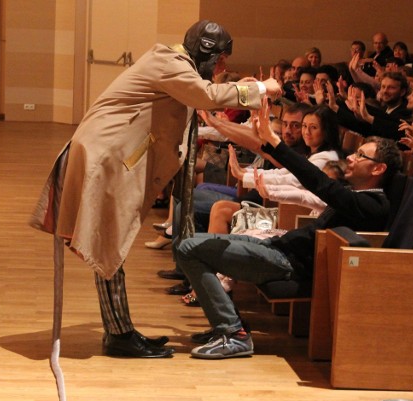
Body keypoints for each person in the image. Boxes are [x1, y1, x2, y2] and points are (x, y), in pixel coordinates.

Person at [29, 20, 281, 361]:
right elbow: (204, 96)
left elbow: (197, 105)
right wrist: (262, 89)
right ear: (206, 53)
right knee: (108, 248)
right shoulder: (168, 62)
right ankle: (118, 335)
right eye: (220, 60)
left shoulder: (177, 66)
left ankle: (123, 331)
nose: (222, 68)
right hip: (106, 160)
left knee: (114, 246)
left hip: (109, 157)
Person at [175, 99, 401, 359]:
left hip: (286, 263)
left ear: (378, 168)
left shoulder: (372, 205)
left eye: (361, 155)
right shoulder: (356, 194)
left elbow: (318, 183)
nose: (351, 157)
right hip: (277, 248)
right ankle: (229, 324)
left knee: (190, 248)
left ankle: (233, 333)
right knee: (187, 242)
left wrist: (276, 143)